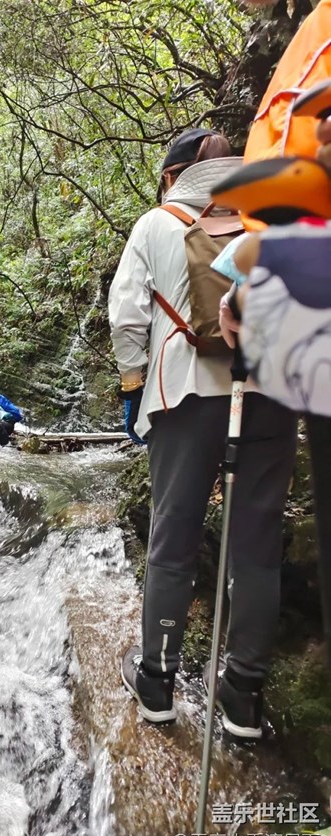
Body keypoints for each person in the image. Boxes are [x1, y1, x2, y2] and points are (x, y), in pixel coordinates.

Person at [109, 128, 298, 738]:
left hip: (185, 397)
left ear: (175, 177)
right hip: (269, 395)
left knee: (174, 535)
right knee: (257, 546)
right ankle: (243, 695)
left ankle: (158, 681)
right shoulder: (272, 222)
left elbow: (127, 314)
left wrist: (133, 386)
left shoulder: (157, 223)